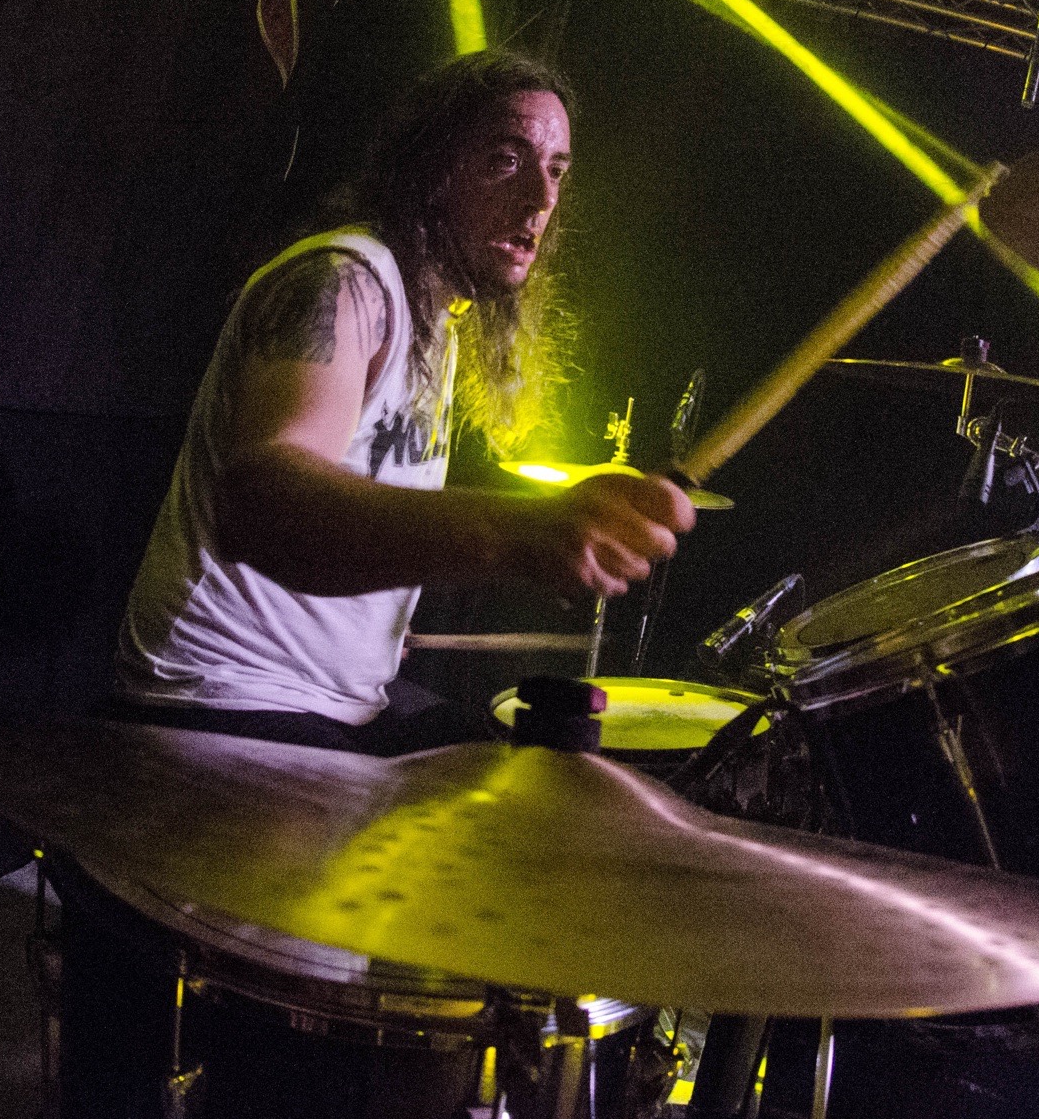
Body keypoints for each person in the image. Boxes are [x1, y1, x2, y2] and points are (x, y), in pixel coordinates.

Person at [111, 48, 695, 754]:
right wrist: (525, 531)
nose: (541, 200)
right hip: (223, 701)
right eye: (507, 161)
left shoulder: (436, 321)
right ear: (431, 169)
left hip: (337, 704)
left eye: (556, 170)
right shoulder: (344, 281)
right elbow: (263, 504)